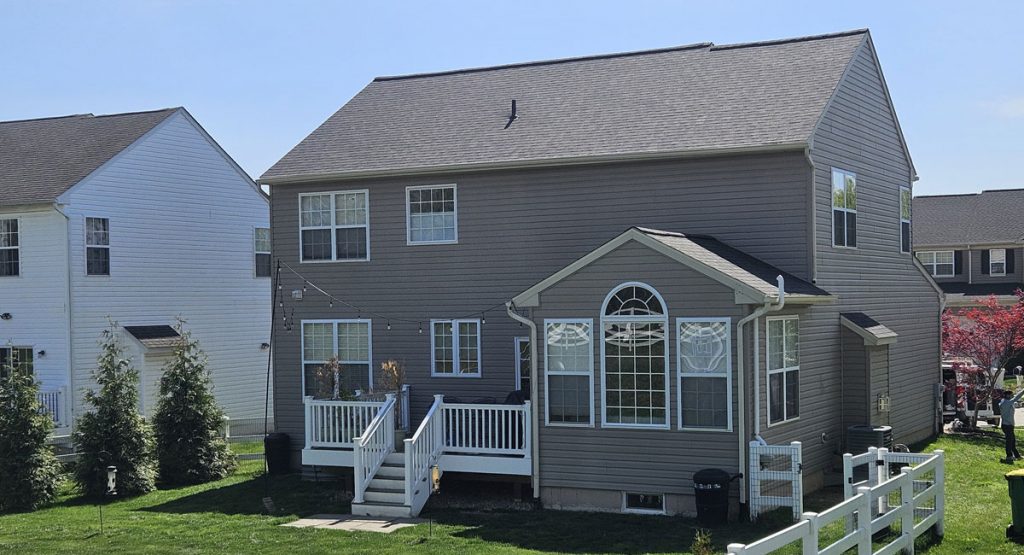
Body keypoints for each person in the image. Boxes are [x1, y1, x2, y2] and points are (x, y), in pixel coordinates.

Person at [999, 388, 1024, 462]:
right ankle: (1009, 456)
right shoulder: (1007, 402)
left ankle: (1017, 456)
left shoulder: (1004, 401)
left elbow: (1014, 398)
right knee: (1009, 442)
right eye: (1011, 395)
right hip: (1007, 426)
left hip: (1007, 425)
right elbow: (1017, 397)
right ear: (1007, 395)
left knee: (1012, 441)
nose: (1012, 396)